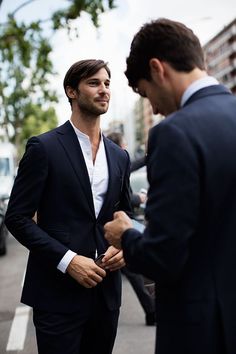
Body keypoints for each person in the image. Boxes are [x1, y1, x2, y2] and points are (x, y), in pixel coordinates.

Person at [104, 18, 236, 354]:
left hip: (204, 333)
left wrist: (126, 235)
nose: (155, 108)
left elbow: (164, 257)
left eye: (146, 94)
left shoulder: (174, 133)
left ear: (157, 68)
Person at [5, 59, 132, 354]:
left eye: (107, 84)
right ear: (71, 91)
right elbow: (17, 218)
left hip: (106, 294)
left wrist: (125, 246)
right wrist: (68, 260)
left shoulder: (120, 157)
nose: (104, 90)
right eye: (94, 83)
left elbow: (124, 215)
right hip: (56, 295)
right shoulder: (43, 147)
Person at [106, 131, 156, 326]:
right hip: (117, 224)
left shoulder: (120, 161)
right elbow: (119, 198)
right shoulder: (111, 165)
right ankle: (152, 311)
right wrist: (138, 199)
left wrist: (148, 155)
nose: (126, 148)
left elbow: (134, 163)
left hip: (125, 222)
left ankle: (152, 310)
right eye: (124, 145)